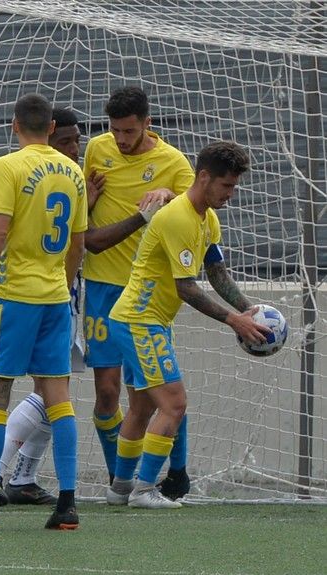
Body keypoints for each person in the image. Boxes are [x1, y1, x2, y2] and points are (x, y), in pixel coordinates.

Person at [0, 93, 87, 531]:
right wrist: (62, 287)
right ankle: (67, 505)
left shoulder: (8, 165)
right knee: (58, 398)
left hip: (14, 298)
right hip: (55, 299)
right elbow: (78, 243)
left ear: (14, 126)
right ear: (50, 128)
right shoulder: (73, 171)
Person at [105, 141, 269, 508]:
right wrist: (234, 322)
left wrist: (248, 308)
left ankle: (119, 489)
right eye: (226, 186)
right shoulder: (178, 217)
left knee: (143, 408)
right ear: (205, 177)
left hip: (141, 321)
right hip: (140, 321)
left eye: (234, 187)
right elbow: (186, 288)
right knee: (175, 405)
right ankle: (145, 490)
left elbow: (215, 271)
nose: (231, 194)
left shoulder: (206, 217)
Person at [82, 87, 196, 497]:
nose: (121, 140)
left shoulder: (173, 163)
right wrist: (87, 201)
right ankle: (120, 477)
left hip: (145, 292)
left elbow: (197, 211)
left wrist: (170, 197)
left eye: (129, 131)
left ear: (148, 123)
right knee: (106, 392)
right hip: (101, 286)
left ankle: (174, 473)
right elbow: (86, 225)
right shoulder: (97, 149)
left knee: (149, 393)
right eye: (115, 131)